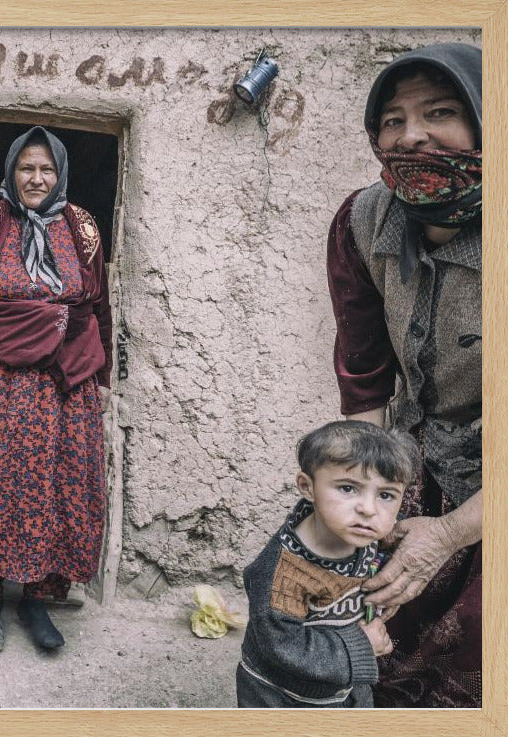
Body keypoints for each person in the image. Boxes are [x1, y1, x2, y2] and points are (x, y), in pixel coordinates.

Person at [326, 42, 482, 707]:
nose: (411, 134)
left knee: (474, 657)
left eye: (440, 112)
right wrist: (363, 494)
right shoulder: (363, 222)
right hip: (418, 453)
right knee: (362, 620)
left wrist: (448, 534)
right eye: (392, 119)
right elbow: (364, 376)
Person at [0, 126, 112, 654]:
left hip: (64, 388)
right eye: (26, 168)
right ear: (11, 172)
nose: (36, 178)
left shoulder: (83, 229)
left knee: (58, 490)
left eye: (46, 169)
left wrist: (101, 380)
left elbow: (99, 311)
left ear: (61, 174)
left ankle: (38, 599)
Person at [236, 421, 418, 708]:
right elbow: (282, 645)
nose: (368, 509)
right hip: (283, 696)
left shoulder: (364, 535)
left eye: (386, 495)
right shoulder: (284, 574)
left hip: (345, 687)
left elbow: (375, 566)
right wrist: (362, 646)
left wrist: (384, 595)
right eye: (347, 488)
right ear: (307, 487)